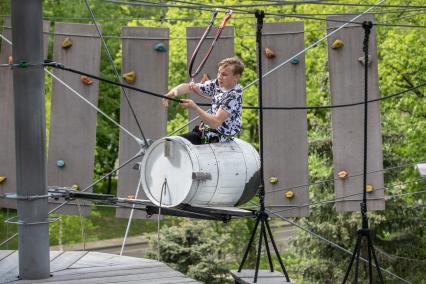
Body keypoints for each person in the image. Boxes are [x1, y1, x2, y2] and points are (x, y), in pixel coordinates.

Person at [162, 57, 244, 145]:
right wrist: (170, 94)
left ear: (236, 77)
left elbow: (215, 122)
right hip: (207, 131)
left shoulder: (233, 95)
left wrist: (195, 107)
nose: (220, 77)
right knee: (171, 143)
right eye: (219, 72)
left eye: (224, 74)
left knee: (175, 144)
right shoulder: (216, 84)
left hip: (220, 138)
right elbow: (189, 87)